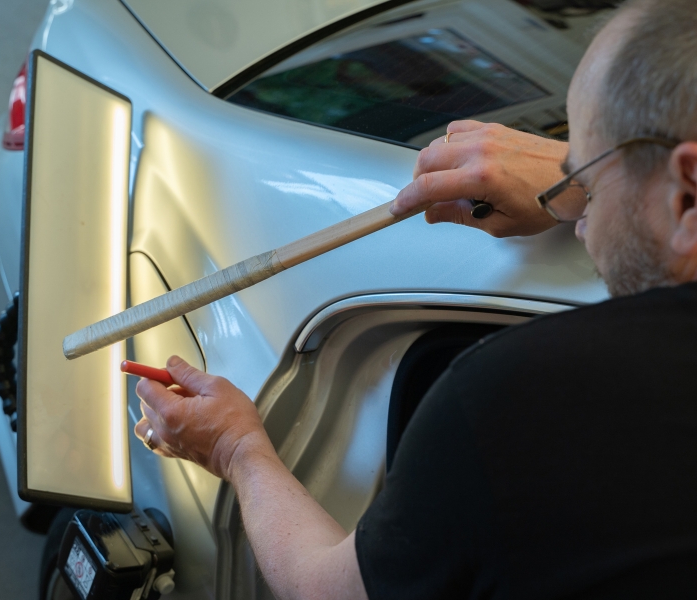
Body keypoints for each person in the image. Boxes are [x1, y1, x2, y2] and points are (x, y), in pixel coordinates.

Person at [134, 0, 697, 597]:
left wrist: (237, 448)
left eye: (586, 178)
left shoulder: (521, 398)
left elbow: (330, 591)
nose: (579, 218)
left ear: (685, 196)